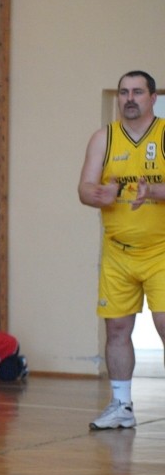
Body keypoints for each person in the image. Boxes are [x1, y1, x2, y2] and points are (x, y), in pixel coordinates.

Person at [78, 70, 165, 431]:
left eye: (137, 92)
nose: (130, 98)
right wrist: (97, 194)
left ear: (153, 98)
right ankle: (121, 406)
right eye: (124, 92)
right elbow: (84, 188)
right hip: (118, 251)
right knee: (116, 328)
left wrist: (155, 192)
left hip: (161, 250)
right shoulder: (104, 138)